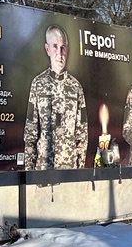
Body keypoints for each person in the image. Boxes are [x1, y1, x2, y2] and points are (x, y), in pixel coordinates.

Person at [24, 24, 87, 170]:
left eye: (63, 47)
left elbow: (82, 133)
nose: (60, 52)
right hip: (43, 168)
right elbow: (30, 131)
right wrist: (30, 169)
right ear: (47, 49)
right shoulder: (38, 84)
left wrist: (80, 168)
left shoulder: (76, 87)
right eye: (55, 46)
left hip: (69, 169)